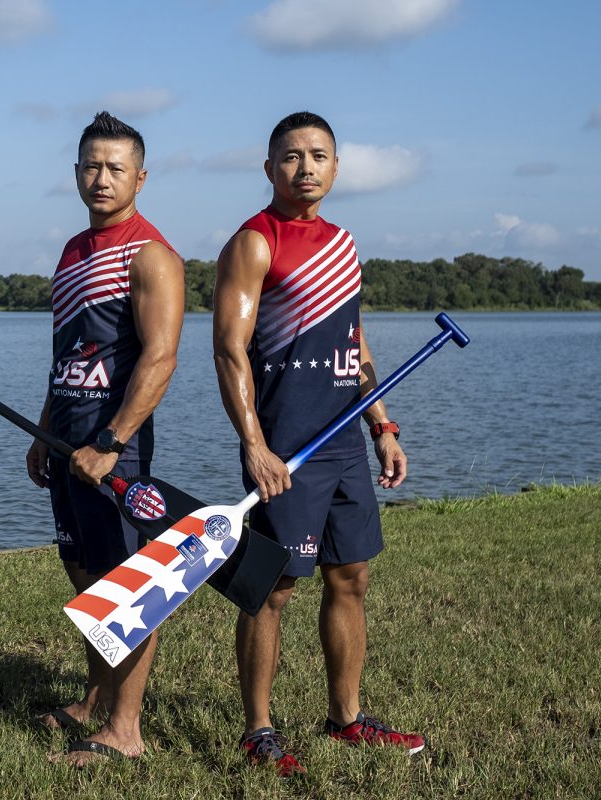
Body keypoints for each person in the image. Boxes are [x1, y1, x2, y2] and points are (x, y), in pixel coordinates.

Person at [212, 111, 425, 777]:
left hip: (342, 446)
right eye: (292, 156)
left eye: (319, 155)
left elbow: (355, 344)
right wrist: (254, 444)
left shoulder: (343, 244)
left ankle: (346, 720)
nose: (306, 167)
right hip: (285, 450)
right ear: (270, 166)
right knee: (273, 590)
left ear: (336, 166)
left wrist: (381, 426)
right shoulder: (255, 241)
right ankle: (258, 731)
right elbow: (229, 349)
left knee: (351, 577)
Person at [25, 111, 185, 767]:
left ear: (140, 177)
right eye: (91, 165)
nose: (101, 177)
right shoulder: (71, 251)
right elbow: (66, 352)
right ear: (75, 173)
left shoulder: (151, 254)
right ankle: (94, 698)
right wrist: (45, 427)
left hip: (115, 451)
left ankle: (126, 730)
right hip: (67, 442)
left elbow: (161, 358)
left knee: (128, 584)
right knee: (85, 574)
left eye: (116, 167)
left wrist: (113, 441)